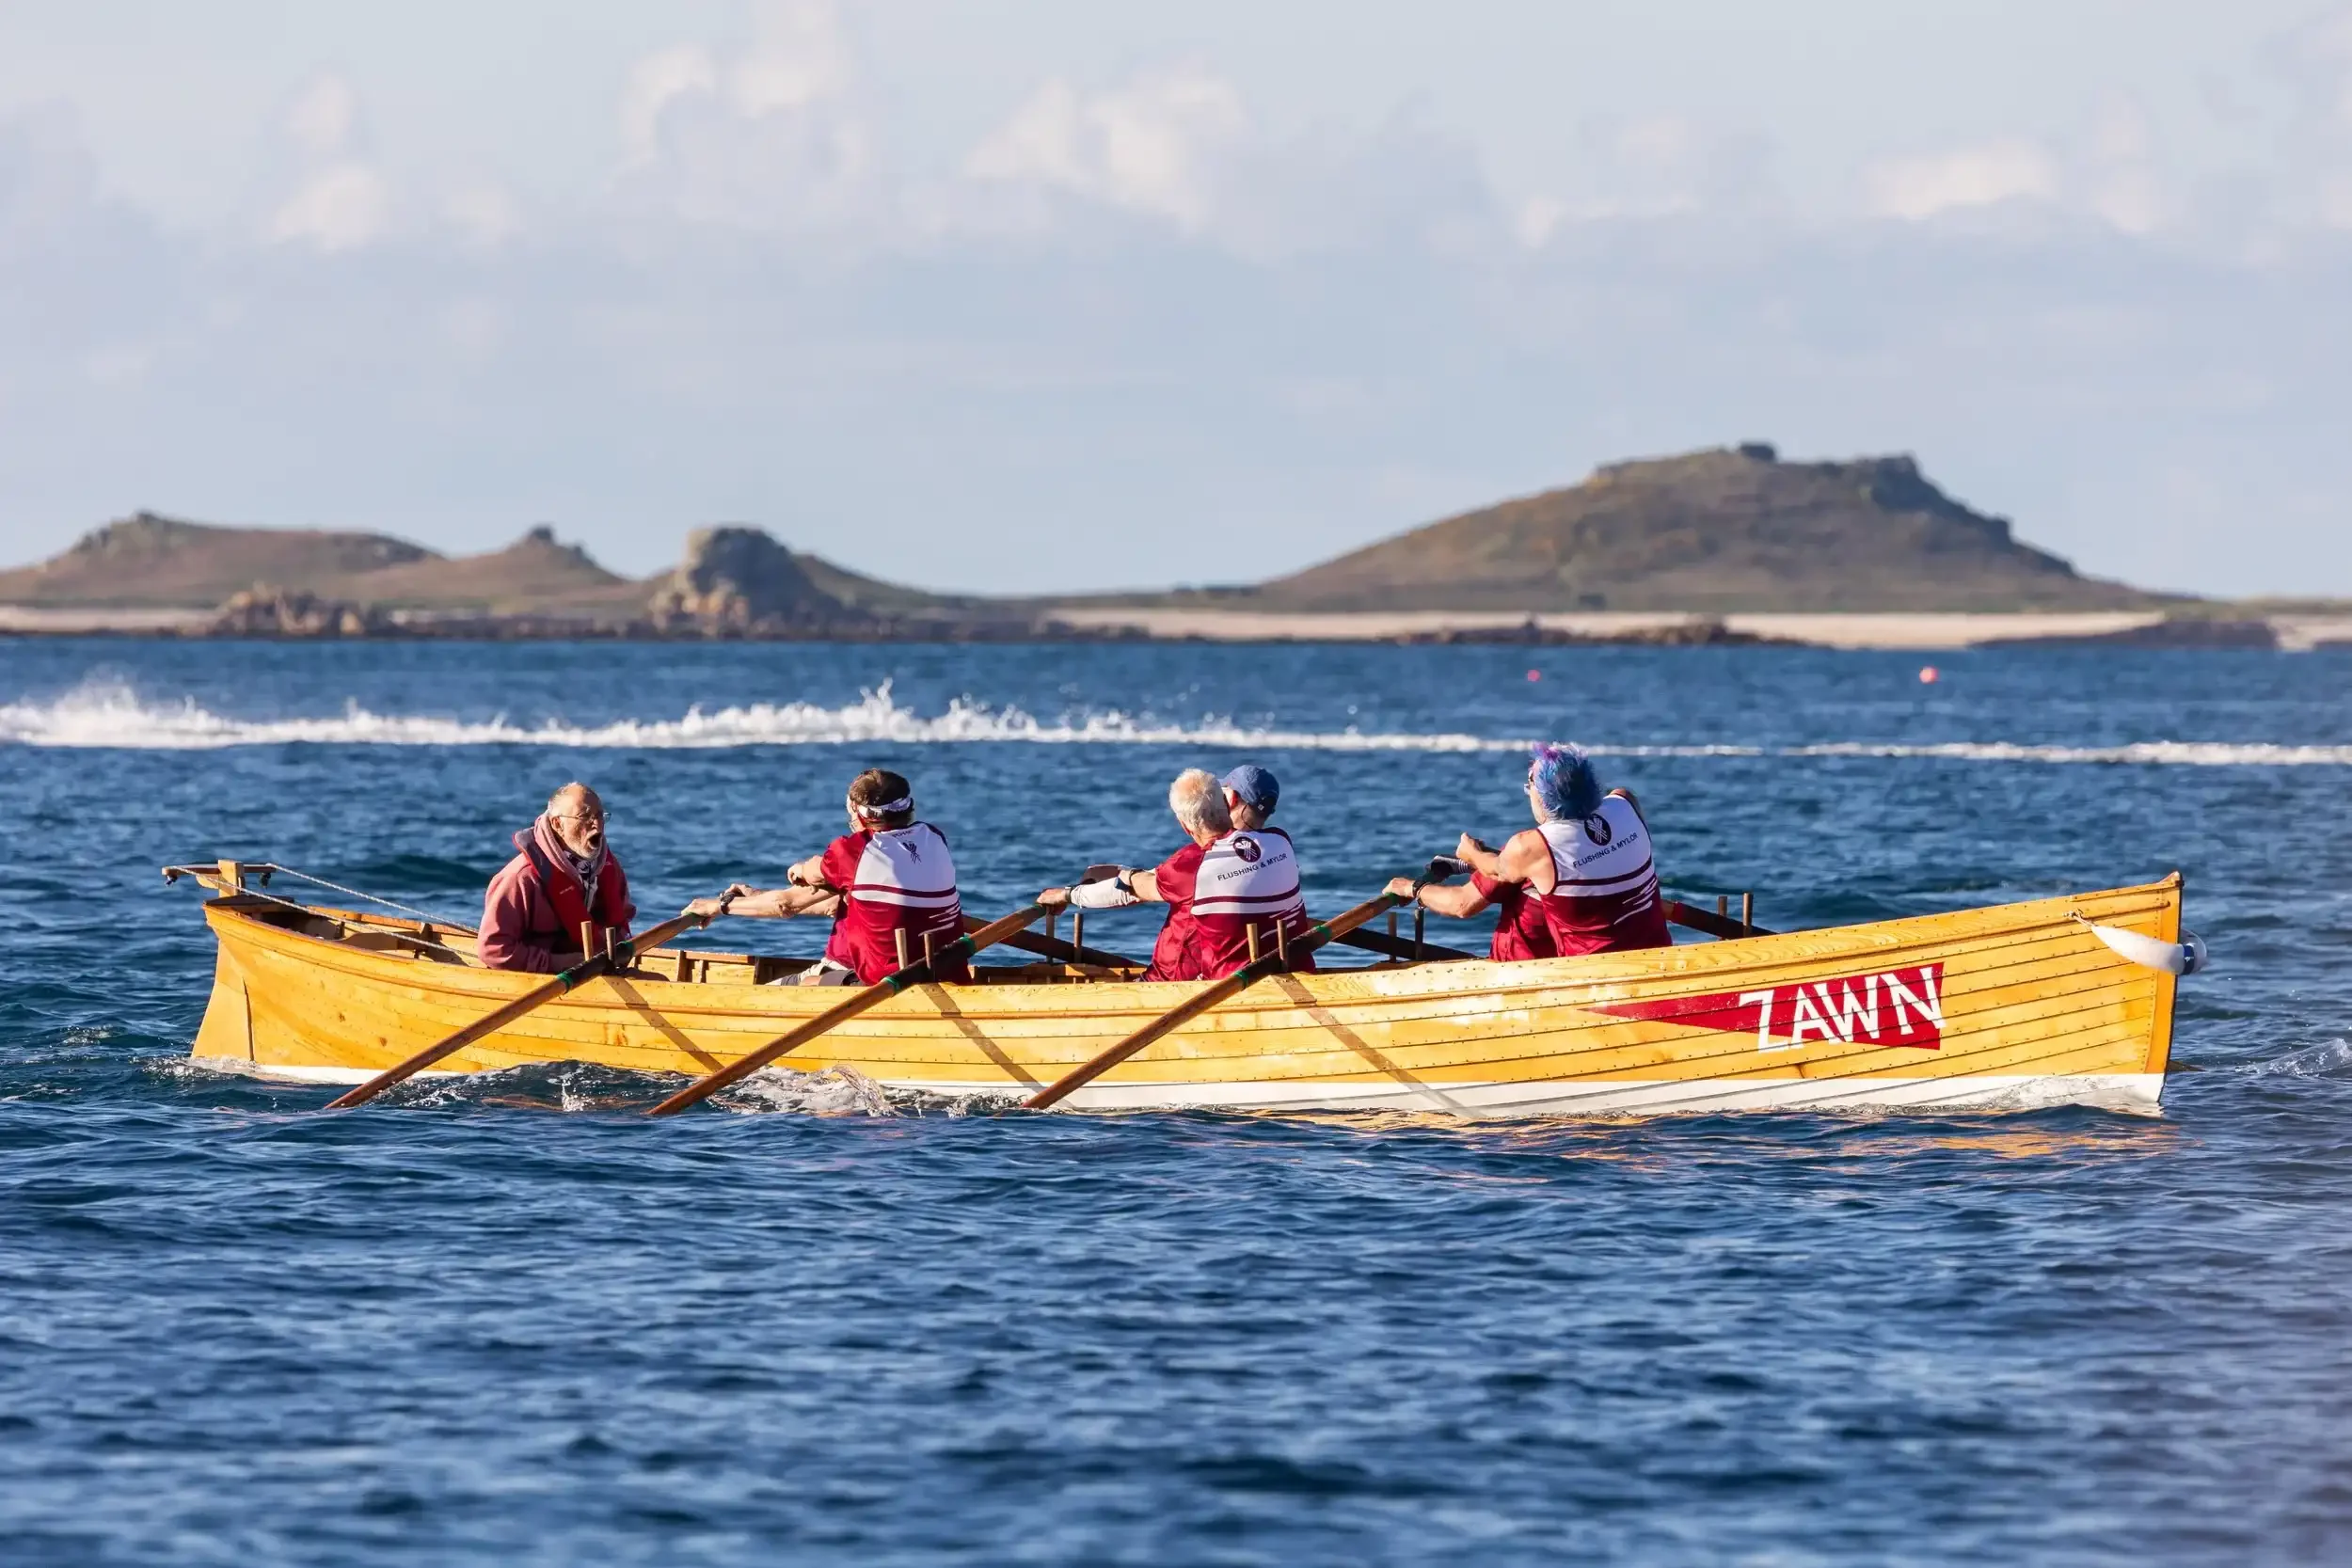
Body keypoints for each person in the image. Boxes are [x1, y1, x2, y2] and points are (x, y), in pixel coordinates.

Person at [691, 768, 965, 986]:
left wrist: (717, 906)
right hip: (941, 971)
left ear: (857, 813)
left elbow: (786, 903)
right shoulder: (934, 837)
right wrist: (758, 896)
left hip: (886, 982)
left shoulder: (854, 851)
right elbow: (838, 903)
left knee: (781, 992)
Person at [1039, 767, 1316, 981]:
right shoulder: (1281, 841)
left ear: (1184, 825)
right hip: (1286, 969)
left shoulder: (1193, 864)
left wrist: (1068, 894)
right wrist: (1127, 874)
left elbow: (1130, 890)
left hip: (1225, 988)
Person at [1406, 744, 1669, 958]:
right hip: (1657, 954)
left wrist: (1471, 853)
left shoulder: (1532, 846)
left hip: (1593, 976)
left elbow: (1495, 872)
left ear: (1543, 797)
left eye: (1529, 786)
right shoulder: (1625, 801)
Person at [479, 783, 637, 972]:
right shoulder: (521, 878)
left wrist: (619, 952)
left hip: (599, 970)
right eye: (585, 816)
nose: (596, 824)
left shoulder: (609, 868)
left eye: (599, 816)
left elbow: (623, 917)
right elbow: (493, 949)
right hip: (541, 980)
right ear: (557, 824)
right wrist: (559, 964)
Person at [1389, 862, 1557, 962]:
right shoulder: (1580, 843)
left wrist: (1411, 888)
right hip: (1567, 963)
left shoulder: (1527, 848)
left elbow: (1461, 904)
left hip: (1520, 974)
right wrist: (1477, 861)